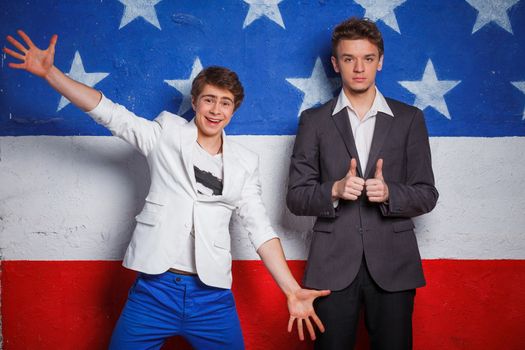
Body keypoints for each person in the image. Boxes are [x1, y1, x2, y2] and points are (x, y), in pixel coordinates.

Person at [3, 30, 330, 349]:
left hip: (212, 299)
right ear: (196, 101)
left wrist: (290, 290)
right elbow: (112, 115)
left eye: (225, 103)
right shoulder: (165, 133)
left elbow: (260, 229)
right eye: (209, 100)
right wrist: (51, 74)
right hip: (154, 292)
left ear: (234, 110)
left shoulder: (245, 163)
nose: (216, 110)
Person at [286, 17, 439, 350]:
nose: (359, 68)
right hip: (332, 265)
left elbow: (427, 194)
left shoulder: (410, 119)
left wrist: (389, 193)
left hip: (394, 266)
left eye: (368, 58)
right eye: (348, 59)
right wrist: (334, 191)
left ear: (380, 61)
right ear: (335, 64)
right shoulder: (313, 121)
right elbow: (296, 197)